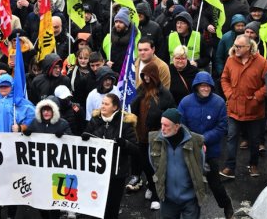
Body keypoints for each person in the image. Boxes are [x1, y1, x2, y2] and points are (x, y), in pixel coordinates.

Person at [178, 72, 233, 219]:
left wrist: (203, 139)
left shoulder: (219, 102)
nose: (205, 88)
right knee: (189, 184)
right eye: (202, 85)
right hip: (189, 148)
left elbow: (222, 127)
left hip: (211, 151)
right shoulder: (185, 102)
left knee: (215, 183)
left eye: (207, 86)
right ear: (196, 87)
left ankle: (226, 205)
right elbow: (180, 125)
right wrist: (193, 141)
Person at [220, 33, 267, 179]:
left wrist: (257, 97)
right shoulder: (230, 60)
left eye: (239, 46)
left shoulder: (262, 62)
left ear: (249, 47)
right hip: (234, 108)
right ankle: (230, 166)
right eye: (235, 46)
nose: (236, 49)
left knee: (255, 140)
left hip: (254, 109)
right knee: (232, 138)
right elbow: (224, 79)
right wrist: (229, 94)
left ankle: (253, 165)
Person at [128, 61, 176, 208]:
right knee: (145, 164)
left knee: (156, 166)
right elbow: (134, 107)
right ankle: (150, 185)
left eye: (149, 75)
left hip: (157, 136)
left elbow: (172, 113)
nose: (146, 78)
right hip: (141, 135)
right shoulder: (141, 90)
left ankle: (156, 194)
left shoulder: (164, 94)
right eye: (144, 76)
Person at [84, 93, 138, 219]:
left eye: (106, 104)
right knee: (96, 204)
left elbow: (135, 149)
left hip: (116, 172)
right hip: (98, 171)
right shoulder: (95, 120)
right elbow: (85, 139)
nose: (102, 106)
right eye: (102, 103)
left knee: (112, 207)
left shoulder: (124, 123)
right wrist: (85, 137)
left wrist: (125, 144)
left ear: (115, 107)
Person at [148, 108, 206, 219]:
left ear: (177, 126)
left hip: (190, 200)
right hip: (167, 200)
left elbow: (200, 165)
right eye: (161, 124)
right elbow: (153, 164)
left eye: (166, 125)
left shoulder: (194, 141)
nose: (162, 129)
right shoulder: (155, 141)